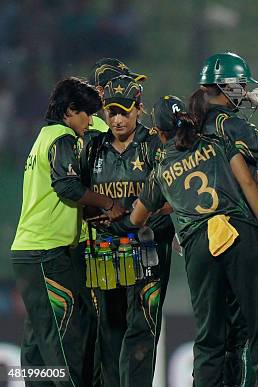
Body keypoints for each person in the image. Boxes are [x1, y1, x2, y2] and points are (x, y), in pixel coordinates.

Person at [129, 96, 258, 387]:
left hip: (199, 245)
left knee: (209, 339)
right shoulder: (215, 142)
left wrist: (174, 204)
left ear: (160, 132)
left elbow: (137, 218)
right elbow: (248, 183)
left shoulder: (161, 167)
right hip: (239, 233)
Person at [192, 51, 258, 387]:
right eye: (242, 86)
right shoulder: (231, 123)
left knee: (212, 337)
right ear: (232, 87)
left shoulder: (187, 126)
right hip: (239, 234)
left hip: (198, 237)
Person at [11, 77, 125, 386]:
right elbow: (67, 186)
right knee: (67, 338)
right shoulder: (63, 138)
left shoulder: (42, 137)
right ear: (70, 110)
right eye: (86, 114)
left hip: (28, 252)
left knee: (38, 341)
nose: (90, 122)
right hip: (48, 252)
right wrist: (107, 203)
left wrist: (88, 212)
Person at [78, 75, 174, 386]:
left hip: (149, 250)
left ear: (139, 109)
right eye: (111, 112)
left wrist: (142, 220)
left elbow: (172, 196)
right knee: (110, 327)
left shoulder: (156, 146)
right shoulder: (92, 148)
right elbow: (81, 196)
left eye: (125, 112)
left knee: (143, 327)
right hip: (106, 250)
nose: (118, 120)